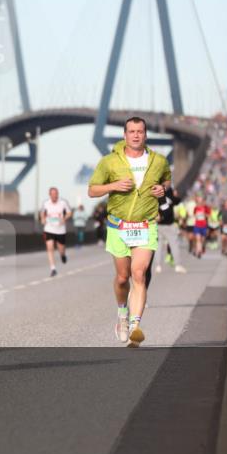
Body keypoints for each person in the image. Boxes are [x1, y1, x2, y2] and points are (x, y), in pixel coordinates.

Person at [88, 117, 172, 347]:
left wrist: (161, 189)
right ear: (124, 135)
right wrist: (113, 186)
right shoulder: (109, 162)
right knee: (123, 277)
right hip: (118, 226)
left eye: (140, 131)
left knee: (139, 274)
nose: (136, 135)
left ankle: (135, 326)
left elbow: (166, 181)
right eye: (132, 131)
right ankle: (122, 315)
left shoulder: (159, 161)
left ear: (145, 135)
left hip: (146, 225)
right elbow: (92, 191)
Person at [40, 187, 72, 277]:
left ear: (58, 194)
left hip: (60, 230)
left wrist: (64, 218)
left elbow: (69, 213)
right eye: (53, 194)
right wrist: (42, 219)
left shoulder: (63, 202)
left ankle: (63, 255)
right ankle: (53, 268)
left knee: (61, 249)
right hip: (49, 229)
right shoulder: (46, 203)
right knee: (50, 248)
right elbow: (42, 212)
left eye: (56, 194)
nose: (54, 196)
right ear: (50, 195)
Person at [154, 187, 186, 274]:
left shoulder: (156, 193)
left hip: (159, 224)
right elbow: (178, 201)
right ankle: (178, 265)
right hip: (169, 224)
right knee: (174, 245)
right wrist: (174, 195)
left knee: (158, 246)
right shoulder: (169, 192)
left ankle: (158, 266)